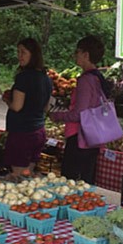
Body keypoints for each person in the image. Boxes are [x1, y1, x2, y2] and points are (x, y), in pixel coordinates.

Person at [49, 35, 109, 183]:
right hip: (94, 137)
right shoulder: (99, 78)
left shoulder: (85, 80)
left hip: (80, 139)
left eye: (77, 52)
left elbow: (78, 114)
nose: (75, 55)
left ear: (86, 55)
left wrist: (56, 116)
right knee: (85, 183)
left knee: (71, 183)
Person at [2, 38, 53, 174]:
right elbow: (46, 108)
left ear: (33, 54)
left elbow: (17, 106)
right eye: (18, 52)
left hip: (22, 134)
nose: (19, 56)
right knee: (27, 176)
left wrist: (7, 100)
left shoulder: (23, 78)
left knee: (18, 177)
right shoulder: (46, 79)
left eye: (23, 52)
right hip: (39, 132)